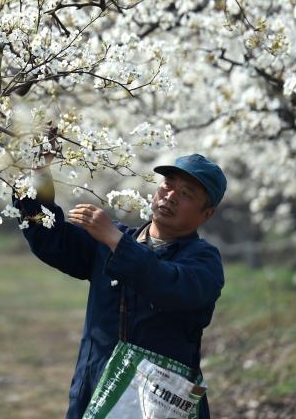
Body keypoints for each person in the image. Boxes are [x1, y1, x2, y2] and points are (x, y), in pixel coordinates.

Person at [18, 153, 226, 419]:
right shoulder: (109, 241)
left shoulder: (204, 260)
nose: (171, 196)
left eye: (186, 194)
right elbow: (50, 238)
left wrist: (117, 242)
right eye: (168, 185)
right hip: (95, 389)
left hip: (158, 404)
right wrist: (38, 173)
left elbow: (170, 286)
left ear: (207, 213)